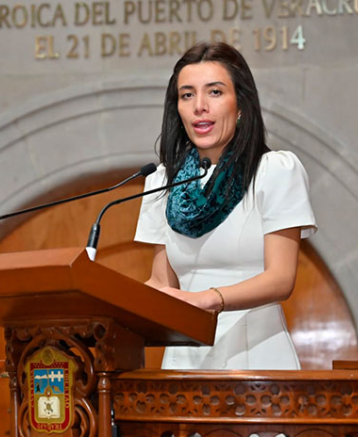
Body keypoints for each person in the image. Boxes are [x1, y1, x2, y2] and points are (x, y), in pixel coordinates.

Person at [134, 42, 317, 370]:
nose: (199, 106)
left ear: (241, 104)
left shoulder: (274, 170)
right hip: (183, 359)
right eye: (187, 95)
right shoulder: (162, 181)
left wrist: (208, 299)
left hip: (255, 358)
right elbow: (162, 284)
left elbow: (281, 279)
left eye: (215, 92)